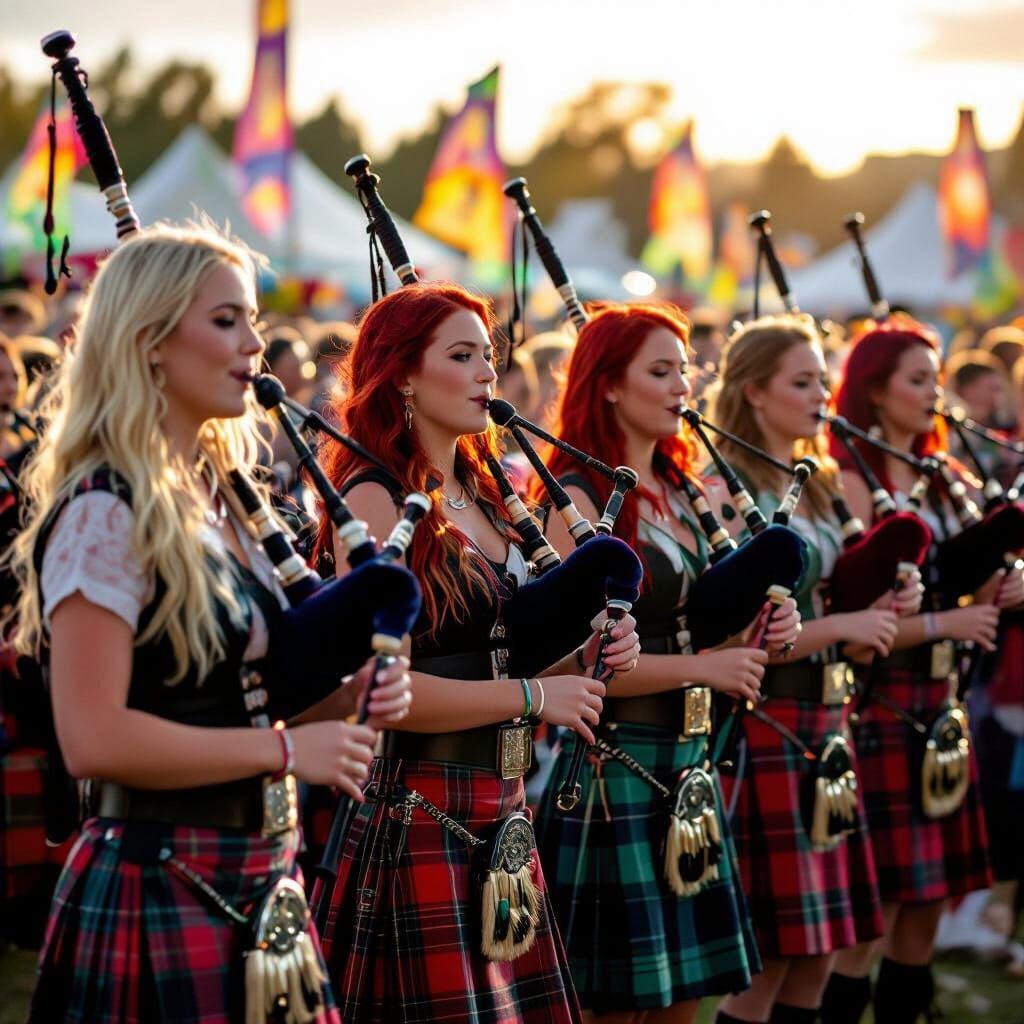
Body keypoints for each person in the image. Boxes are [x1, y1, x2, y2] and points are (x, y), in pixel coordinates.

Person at [9, 222, 413, 1023]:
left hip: (259, 875)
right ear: (150, 339)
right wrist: (291, 750)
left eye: (253, 321)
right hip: (156, 872)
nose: (255, 346)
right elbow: (93, 738)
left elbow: (232, 696)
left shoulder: (223, 499)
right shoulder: (103, 510)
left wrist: (339, 702)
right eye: (226, 321)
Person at [310, 282, 642, 1024]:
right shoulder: (372, 497)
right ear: (401, 373)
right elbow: (380, 687)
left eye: (488, 355)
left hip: (504, 806)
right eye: (462, 356)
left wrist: (590, 647)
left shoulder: (491, 493)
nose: (489, 373)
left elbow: (506, 653)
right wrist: (532, 698)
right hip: (418, 808)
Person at [531, 302, 800, 1024]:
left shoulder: (681, 491)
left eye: (684, 367)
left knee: (685, 1002)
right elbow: (580, 666)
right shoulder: (579, 498)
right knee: (614, 1009)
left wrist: (765, 624)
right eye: (661, 370)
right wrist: (705, 670)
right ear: (609, 385)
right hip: (613, 767)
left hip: (690, 761)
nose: (684, 383)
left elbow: (696, 626)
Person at [705, 315, 922, 1024]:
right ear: (754, 393)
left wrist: (887, 602)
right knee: (771, 956)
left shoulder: (821, 481)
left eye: (823, 380)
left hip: (830, 719)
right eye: (802, 382)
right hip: (768, 722)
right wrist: (843, 625)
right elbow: (741, 636)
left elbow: (832, 597)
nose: (821, 395)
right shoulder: (723, 488)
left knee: (820, 956)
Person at [826, 317, 1018, 1024]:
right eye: (917, 380)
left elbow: (963, 585)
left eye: (935, 379)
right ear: (873, 392)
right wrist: (946, 620)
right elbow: (850, 621)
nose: (933, 395)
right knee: (868, 912)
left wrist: (1003, 587)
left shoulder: (946, 477)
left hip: (944, 704)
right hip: (877, 705)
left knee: (929, 905)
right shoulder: (847, 482)